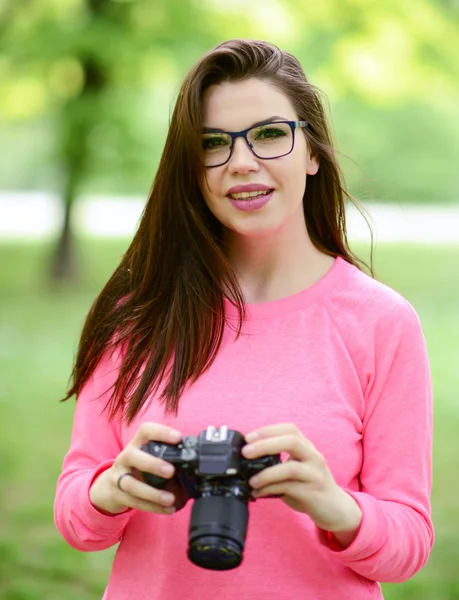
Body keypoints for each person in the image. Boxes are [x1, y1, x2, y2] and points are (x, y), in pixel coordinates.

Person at [54, 39, 434, 600]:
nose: (241, 161)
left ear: (313, 151)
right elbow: (74, 517)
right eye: (212, 144)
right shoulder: (136, 317)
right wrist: (110, 489)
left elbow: (410, 543)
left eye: (270, 134)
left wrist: (337, 506)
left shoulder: (381, 322)